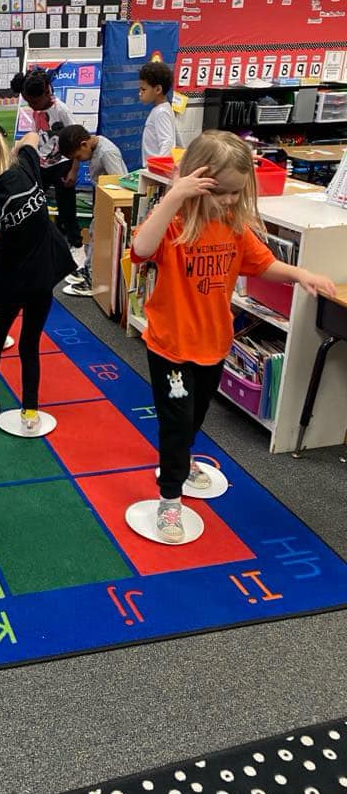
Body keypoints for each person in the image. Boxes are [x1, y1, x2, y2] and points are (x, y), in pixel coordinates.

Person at [130, 130, 336, 544]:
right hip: (170, 348)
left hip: (214, 346)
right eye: (220, 192)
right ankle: (170, 499)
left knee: (196, 417)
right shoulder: (174, 226)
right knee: (176, 422)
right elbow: (140, 246)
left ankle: (183, 463)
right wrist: (173, 194)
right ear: (196, 182)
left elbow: (261, 266)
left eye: (234, 193)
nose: (227, 201)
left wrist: (300, 274)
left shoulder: (233, 227)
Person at [0, 130, 75, 432]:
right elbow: (33, 137)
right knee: (29, 344)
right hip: (44, 276)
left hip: (12, 283)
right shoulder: (24, 166)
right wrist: (22, 144)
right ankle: (30, 412)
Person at [10, 67, 83, 254]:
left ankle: (75, 243)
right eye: (28, 102)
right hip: (42, 163)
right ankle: (38, 239)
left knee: (67, 205)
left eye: (34, 101)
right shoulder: (37, 110)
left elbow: (78, 141)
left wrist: (74, 170)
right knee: (33, 201)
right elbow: (37, 133)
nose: (32, 105)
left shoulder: (61, 110)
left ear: (46, 92)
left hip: (62, 164)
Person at [57, 124, 129, 296]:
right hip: (102, 195)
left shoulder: (106, 153)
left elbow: (119, 184)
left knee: (99, 236)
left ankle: (93, 279)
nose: (80, 160)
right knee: (94, 232)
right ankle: (89, 269)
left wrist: (109, 210)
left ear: (84, 145)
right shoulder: (93, 144)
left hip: (112, 201)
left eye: (78, 156)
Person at [138, 61, 178, 164]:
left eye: (143, 89)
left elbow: (167, 143)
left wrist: (158, 169)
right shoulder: (161, 109)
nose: (140, 93)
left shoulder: (161, 112)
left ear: (158, 89)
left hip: (156, 171)